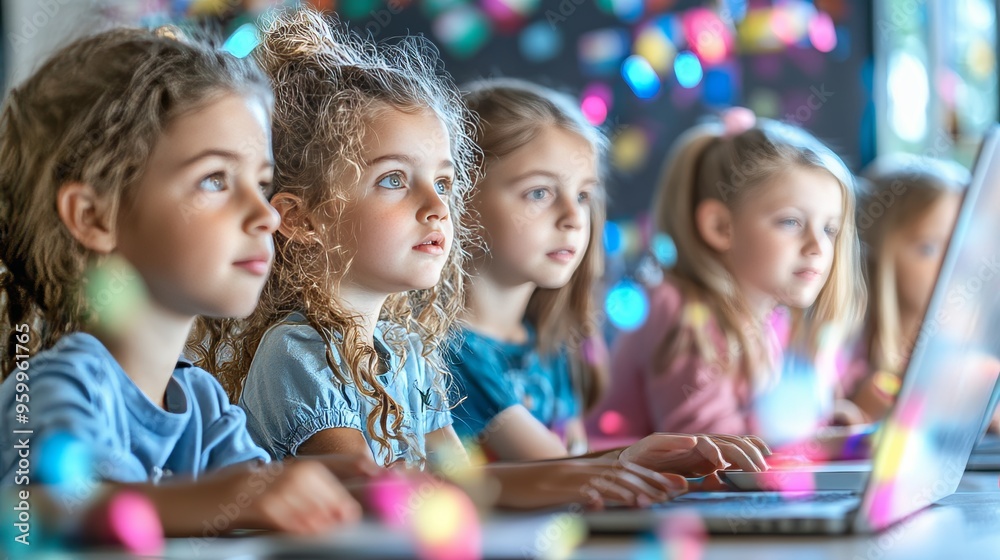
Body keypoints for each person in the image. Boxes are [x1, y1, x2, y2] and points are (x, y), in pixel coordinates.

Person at [0, 27, 362, 540]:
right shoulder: (58, 388)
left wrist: (351, 493)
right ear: (95, 217)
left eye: (261, 184)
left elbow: (259, 504)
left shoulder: (201, 402)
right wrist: (223, 499)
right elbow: (29, 515)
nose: (265, 214)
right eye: (215, 179)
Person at [589, 109, 866, 445]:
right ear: (721, 227)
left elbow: (752, 426)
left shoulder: (770, 319)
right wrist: (820, 448)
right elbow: (709, 457)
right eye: (791, 222)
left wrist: (821, 427)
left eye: (830, 229)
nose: (818, 247)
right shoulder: (682, 312)